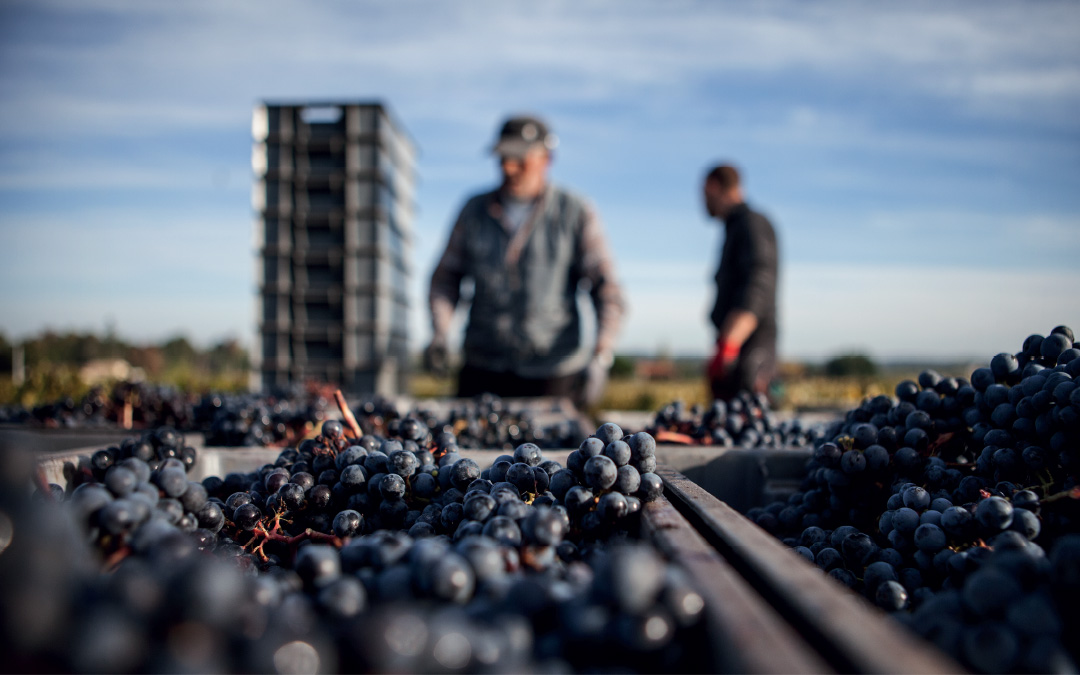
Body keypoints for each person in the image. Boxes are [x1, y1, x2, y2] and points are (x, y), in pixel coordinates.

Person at [425, 114, 626, 406]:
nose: (509, 168)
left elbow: (607, 288)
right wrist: (440, 332)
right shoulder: (473, 211)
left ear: (547, 159)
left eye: (520, 159)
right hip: (482, 370)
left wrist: (601, 355)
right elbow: (445, 279)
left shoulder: (575, 212)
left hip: (553, 375)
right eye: (503, 158)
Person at [703, 163, 779, 401]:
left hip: (751, 361)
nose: (703, 202)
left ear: (713, 187)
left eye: (704, 195)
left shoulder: (751, 224)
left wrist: (728, 347)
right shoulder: (735, 227)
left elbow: (758, 286)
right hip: (739, 359)